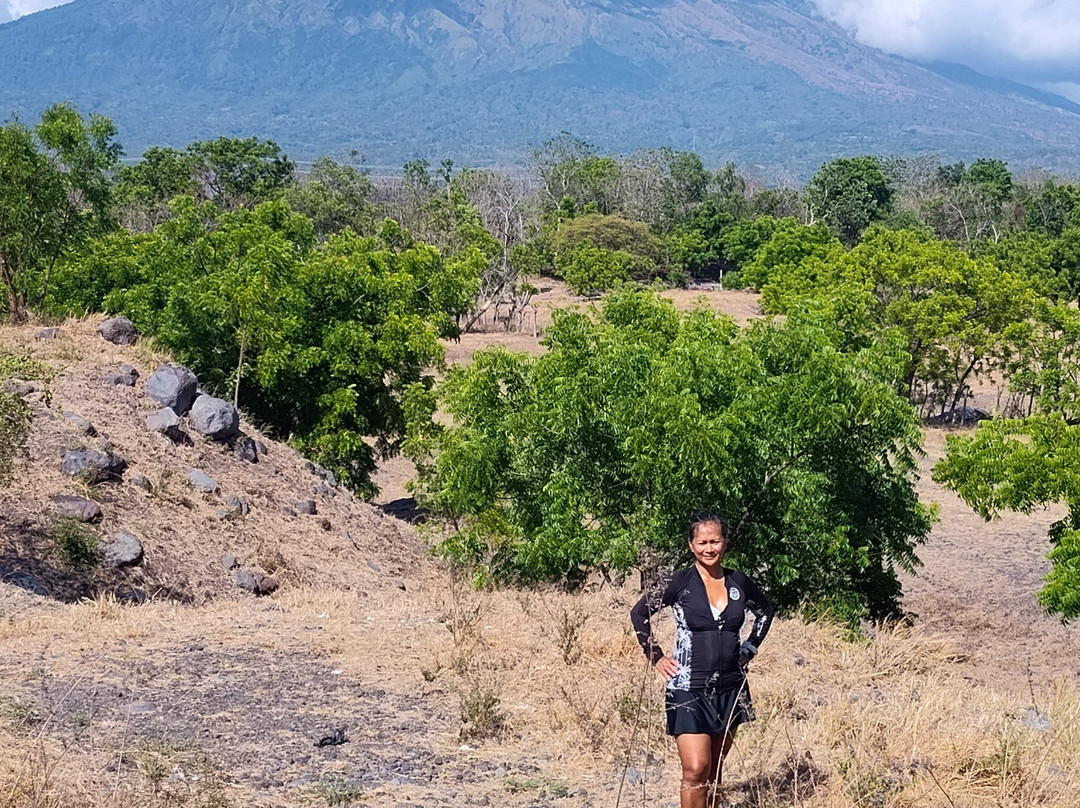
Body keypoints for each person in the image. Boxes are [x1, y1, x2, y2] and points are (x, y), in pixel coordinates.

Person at [629, 511, 774, 808]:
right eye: (703, 542)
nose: (710, 548)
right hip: (688, 688)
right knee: (696, 769)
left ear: (725, 542)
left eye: (715, 541)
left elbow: (765, 612)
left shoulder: (739, 582)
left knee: (715, 772)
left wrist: (749, 648)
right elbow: (639, 613)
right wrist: (655, 656)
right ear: (691, 545)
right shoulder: (679, 581)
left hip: (731, 688)